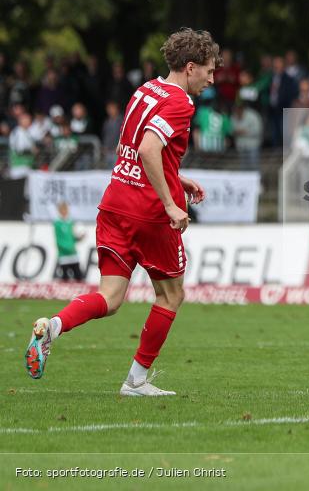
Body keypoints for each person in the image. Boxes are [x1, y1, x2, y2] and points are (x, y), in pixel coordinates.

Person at [24, 28, 219, 396]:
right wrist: (169, 201)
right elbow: (148, 149)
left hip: (114, 204)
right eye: (208, 71)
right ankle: (136, 381)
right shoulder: (180, 103)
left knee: (110, 297)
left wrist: (179, 179)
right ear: (190, 67)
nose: (212, 79)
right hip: (148, 213)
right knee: (171, 296)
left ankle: (53, 326)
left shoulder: (146, 89)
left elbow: (130, 145)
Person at [53, 202, 85, 282]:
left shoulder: (70, 222)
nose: (65, 211)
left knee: (79, 276)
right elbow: (58, 240)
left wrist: (79, 238)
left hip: (73, 254)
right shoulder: (57, 224)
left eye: (66, 209)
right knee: (65, 277)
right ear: (59, 211)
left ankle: (80, 294)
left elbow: (71, 238)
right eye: (63, 209)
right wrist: (68, 248)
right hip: (64, 255)